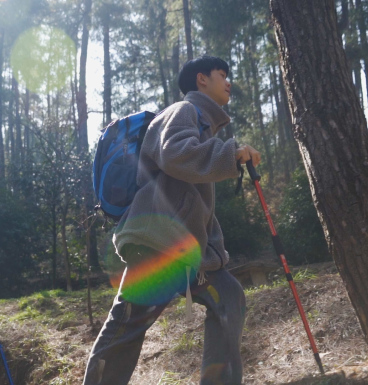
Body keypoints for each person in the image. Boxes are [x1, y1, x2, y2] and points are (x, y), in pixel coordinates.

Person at [83, 55, 261, 385]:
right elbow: (174, 153)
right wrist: (229, 152)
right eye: (222, 74)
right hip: (157, 245)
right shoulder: (183, 112)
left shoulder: (203, 124)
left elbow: (193, 204)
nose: (229, 81)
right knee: (126, 329)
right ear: (201, 80)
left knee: (230, 298)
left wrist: (212, 251)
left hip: (185, 251)